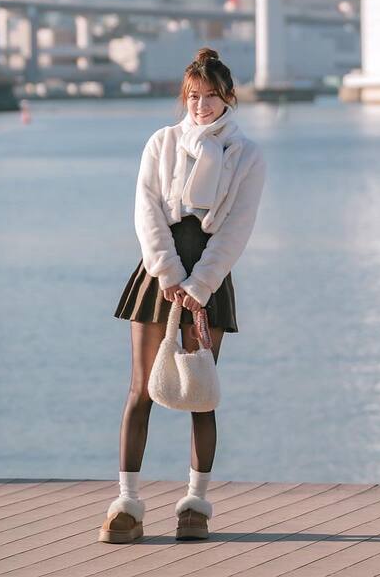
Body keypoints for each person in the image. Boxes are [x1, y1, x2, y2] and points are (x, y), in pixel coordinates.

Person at [98, 47, 266, 545]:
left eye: (211, 97)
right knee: (140, 391)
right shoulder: (162, 142)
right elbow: (145, 209)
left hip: (210, 279)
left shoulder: (248, 155)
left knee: (201, 394)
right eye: (193, 97)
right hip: (158, 273)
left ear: (228, 98)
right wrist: (170, 275)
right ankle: (127, 504)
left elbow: (237, 230)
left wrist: (198, 288)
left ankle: (195, 506)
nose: (201, 106)